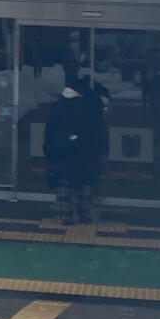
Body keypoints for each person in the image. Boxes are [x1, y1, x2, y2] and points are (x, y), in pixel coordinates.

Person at [42, 74, 106, 223]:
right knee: (84, 185)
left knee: (63, 186)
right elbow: (96, 131)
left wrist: (49, 150)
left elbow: (49, 132)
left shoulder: (58, 107)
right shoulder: (88, 107)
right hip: (84, 154)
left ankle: (64, 216)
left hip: (61, 153)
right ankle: (85, 214)